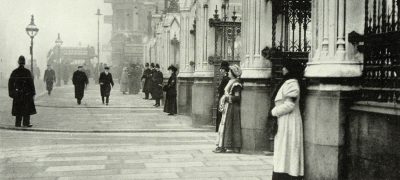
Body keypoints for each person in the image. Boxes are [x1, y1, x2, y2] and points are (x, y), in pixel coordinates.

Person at [270, 59, 304, 180]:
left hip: (290, 122)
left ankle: (288, 176)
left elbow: (290, 105)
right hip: (284, 121)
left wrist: (274, 111)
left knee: (288, 150)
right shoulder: (287, 82)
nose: (283, 69)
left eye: (285, 67)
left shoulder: (292, 84)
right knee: (283, 150)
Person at [214, 64, 243, 153]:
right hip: (228, 107)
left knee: (230, 126)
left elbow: (237, 97)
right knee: (225, 125)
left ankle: (229, 146)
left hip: (232, 107)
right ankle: (222, 145)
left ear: (233, 73)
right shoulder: (231, 81)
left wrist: (227, 98)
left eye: (230, 71)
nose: (228, 73)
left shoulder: (236, 84)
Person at [8, 56, 36, 127]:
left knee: (18, 111)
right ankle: (26, 123)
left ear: (18, 62)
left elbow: (10, 83)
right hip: (26, 94)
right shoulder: (27, 72)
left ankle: (18, 124)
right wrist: (32, 93)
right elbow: (31, 84)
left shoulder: (14, 72)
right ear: (24, 63)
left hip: (18, 94)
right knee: (26, 110)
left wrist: (12, 93)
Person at [216, 61, 230, 132]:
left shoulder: (226, 79)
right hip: (221, 98)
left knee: (221, 114)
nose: (220, 70)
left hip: (223, 98)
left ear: (225, 70)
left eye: (221, 69)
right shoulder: (224, 78)